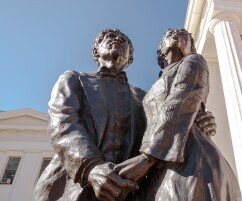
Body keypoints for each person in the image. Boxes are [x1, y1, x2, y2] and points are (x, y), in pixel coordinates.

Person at [34, 28, 216, 201]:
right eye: (109, 37)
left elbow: (165, 124)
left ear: (129, 58)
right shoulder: (74, 79)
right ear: (96, 51)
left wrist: (198, 120)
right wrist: (91, 167)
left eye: (123, 41)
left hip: (126, 190)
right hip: (76, 186)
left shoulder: (143, 98)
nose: (117, 40)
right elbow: (64, 124)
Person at [115, 29, 242, 201]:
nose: (176, 35)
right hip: (158, 164)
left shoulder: (194, 61)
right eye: (169, 34)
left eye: (184, 35)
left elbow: (180, 102)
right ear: (160, 48)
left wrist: (147, 157)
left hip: (189, 159)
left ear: (191, 46)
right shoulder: (152, 87)